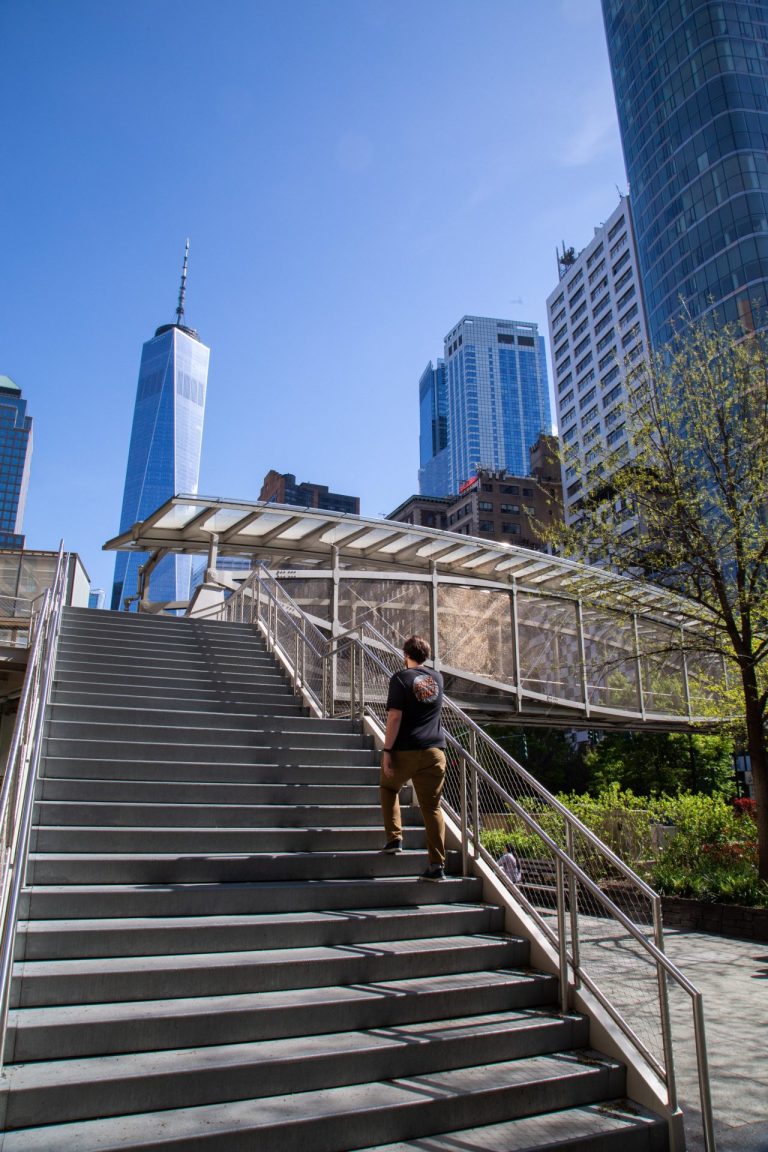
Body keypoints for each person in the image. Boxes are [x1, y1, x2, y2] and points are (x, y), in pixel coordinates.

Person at [380, 635, 447, 882]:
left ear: (405, 654)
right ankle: (437, 865)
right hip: (435, 752)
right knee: (432, 808)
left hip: (406, 750)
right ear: (426, 656)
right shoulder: (438, 678)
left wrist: (387, 751)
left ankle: (395, 837)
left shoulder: (400, 678)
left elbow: (394, 717)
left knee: (388, 788)